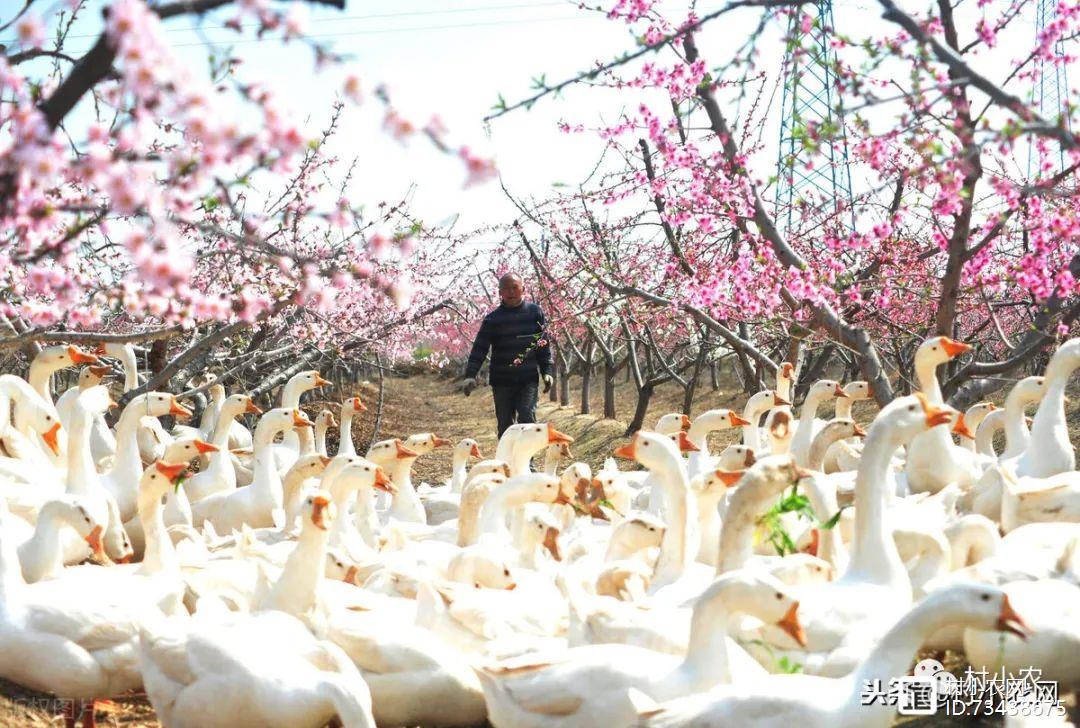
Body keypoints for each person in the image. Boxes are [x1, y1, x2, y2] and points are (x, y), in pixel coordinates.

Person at [462, 273, 554, 438]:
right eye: (506, 289)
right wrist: (471, 375)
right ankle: (505, 462)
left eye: (515, 288)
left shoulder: (535, 313)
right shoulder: (493, 319)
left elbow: (543, 344)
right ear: (500, 292)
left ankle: (527, 463)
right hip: (502, 380)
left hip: (528, 379)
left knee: (527, 418)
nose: (511, 292)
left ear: (523, 289)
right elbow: (479, 348)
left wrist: (547, 371)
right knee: (505, 424)